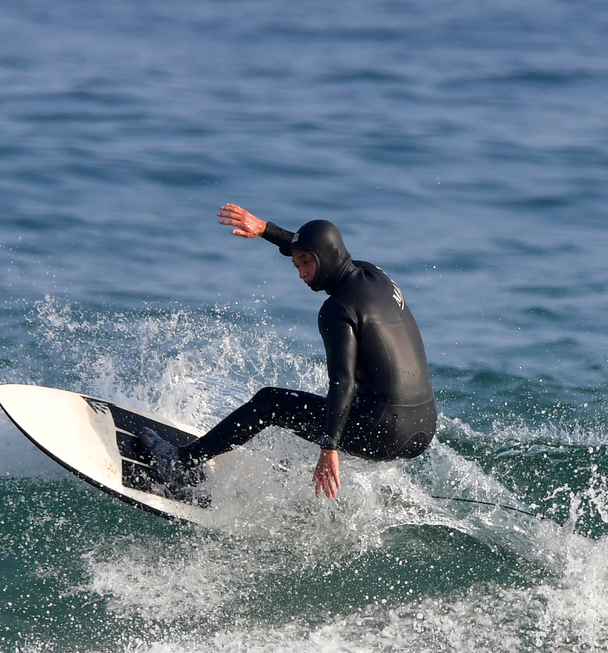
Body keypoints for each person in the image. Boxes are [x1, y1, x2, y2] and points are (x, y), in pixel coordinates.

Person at [138, 204, 436, 499]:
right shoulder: (375, 274)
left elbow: (341, 382)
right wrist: (266, 230)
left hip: (382, 432)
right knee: (324, 410)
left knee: (271, 404)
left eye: (307, 264)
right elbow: (318, 245)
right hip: (422, 428)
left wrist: (329, 446)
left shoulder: (337, 310)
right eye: (297, 265)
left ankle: (179, 462)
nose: (302, 275)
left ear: (326, 258)